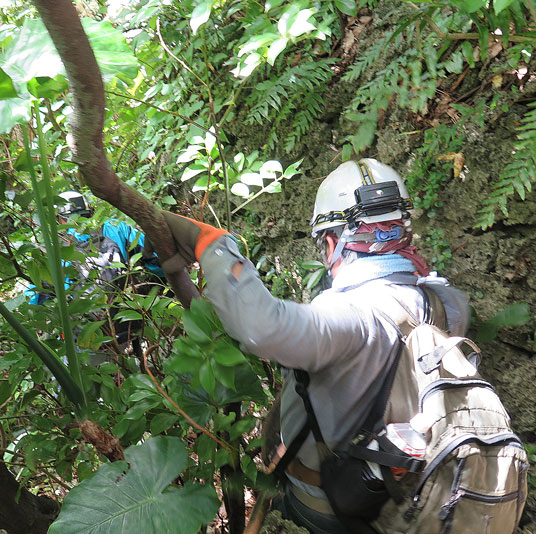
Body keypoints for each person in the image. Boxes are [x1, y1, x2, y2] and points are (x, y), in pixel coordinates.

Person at [156, 159, 471, 533]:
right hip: (412, 502)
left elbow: (260, 327)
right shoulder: (446, 303)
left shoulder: (350, 317)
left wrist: (213, 245)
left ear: (332, 242)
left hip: (331, 511)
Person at [26, 191, 165, 352]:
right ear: (90, 213)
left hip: (85, 340)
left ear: (59, 220)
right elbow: (157, 261)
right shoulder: (116, 228)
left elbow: (36, 304)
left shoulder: (54, 251)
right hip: (128, 329)